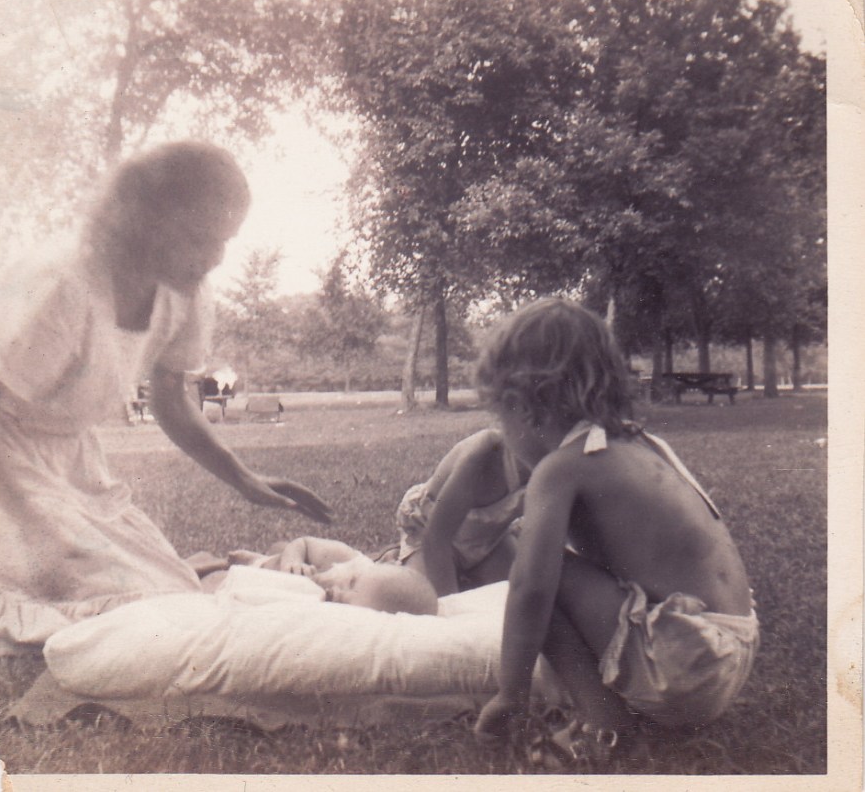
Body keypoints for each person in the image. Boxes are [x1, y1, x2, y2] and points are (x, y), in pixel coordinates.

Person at [0, 140, 332, 657]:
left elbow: (171, 400)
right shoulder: (60, 283)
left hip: (74, 465)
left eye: (225, 241)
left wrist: (246, 479)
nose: (214, 258)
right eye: (199, 238)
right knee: (112, 610)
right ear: (143, 223)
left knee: (171, 592)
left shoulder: (184, 290)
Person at [472, 298, 759, 765]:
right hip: (732, 650)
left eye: (499, 421)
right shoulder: (640, 444)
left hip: (689, 671)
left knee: (545, 578)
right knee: (559, 577)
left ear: (520, 407)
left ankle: (606, 729)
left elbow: (529, 590)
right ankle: (626, 710)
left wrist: (511, 694)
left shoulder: (560, 469)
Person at [394, 428, 531, 596]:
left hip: (489, 540)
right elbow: (436, 538)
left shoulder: (557, 464)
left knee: (512, 596)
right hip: (429, 531)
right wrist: (453, 609)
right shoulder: (486, 451)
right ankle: (395, 559)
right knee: (421, 603)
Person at [231, 537, 439, 615]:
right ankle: (254, 558)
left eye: (349, 598)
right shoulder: (350, 563)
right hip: (273, 566)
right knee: (278, 549)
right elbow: (304, 543)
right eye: (351, 583)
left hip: (269, 587)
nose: (339, 592)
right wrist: (293, 560)